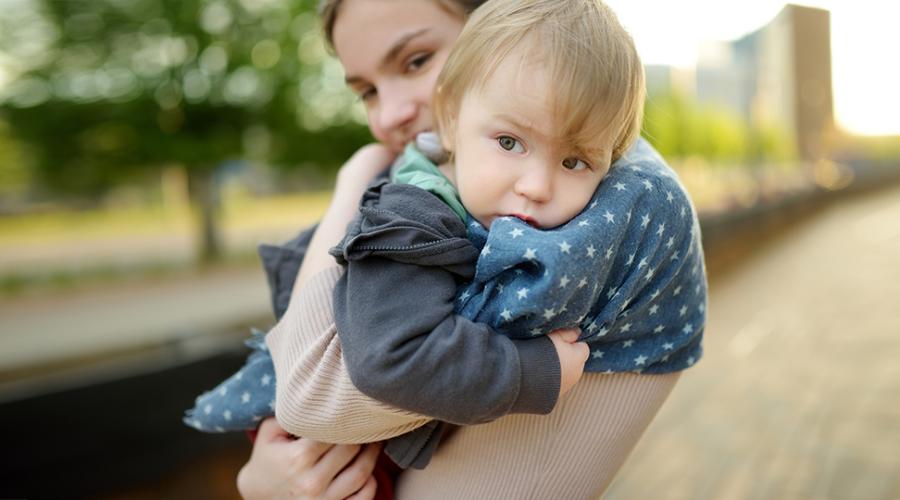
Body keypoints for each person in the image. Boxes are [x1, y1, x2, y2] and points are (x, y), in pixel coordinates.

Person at [238, 0, 707, 498]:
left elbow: (314, 388)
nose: (390, 115)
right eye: (368, 92)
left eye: (416, 60)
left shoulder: (633, 201)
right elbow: (322, 389)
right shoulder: (418, 196)